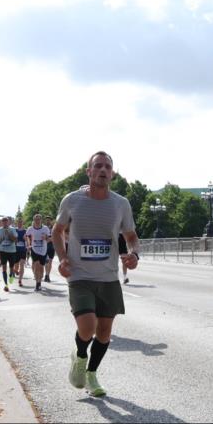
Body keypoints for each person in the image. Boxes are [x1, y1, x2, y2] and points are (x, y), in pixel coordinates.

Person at [53, 151, 139, 397]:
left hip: (109, 277)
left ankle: (91, 374)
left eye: (107, 167)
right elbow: (58, 230)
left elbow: (131, 236)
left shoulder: (121, 203)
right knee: (88, 327)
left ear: (112, 173)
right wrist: (62, 258)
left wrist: (134, 255)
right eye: (98, 166)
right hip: (79, 275)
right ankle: (79, 356)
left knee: (104, 333)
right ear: (88, 171)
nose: (103, 170)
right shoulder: (72, 200)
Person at [26, 214, 52, 291]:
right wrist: (28, 244)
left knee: (41, 268)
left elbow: (51, 239)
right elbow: (26, 236)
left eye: (39, 219)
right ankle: (37, 283)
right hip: (34, 250)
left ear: (41, 220)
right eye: (36, 219)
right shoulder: (30, 229)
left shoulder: (45, 228)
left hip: (43, 251)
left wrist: (46, 237)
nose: (37, 221)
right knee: (37, 266)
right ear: (34, 220)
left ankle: (39, 281)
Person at [0, 216, 19, 292]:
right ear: (1, 222)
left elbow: (15, 240)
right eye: (3, 221)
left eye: (6, 221)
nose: (5, 222)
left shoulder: (12, 229)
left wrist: (8, 233)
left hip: (11, 251)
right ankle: (6, 285)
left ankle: (12, 275)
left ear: (8, 222)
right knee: (4, 268)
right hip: (3, 251)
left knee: (11, 269)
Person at [13, 218, 28, 287]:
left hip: (23, 250)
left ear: (22, 223)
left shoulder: (25, 231)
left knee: (22, 265)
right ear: (17, 223)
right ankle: (14, 272)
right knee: (16, 267)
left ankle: (20, 280)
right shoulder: (14, 230)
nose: (19, 224)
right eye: (18, 222)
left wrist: (28, 245)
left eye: (21, 222)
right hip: (15, 250)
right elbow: (11, 239)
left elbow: (28, 240)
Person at [44, 218, 56, 282]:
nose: (48, 221)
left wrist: (49, 239)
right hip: (45, 247)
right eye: (47, 220)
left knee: (50, 262)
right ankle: (46, 274)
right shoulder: (43, 228)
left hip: (52, 247)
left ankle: (48, 275)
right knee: (46, 262)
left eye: (49, 220)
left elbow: (55, 237)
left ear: (51, 221)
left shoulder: (53, 228)